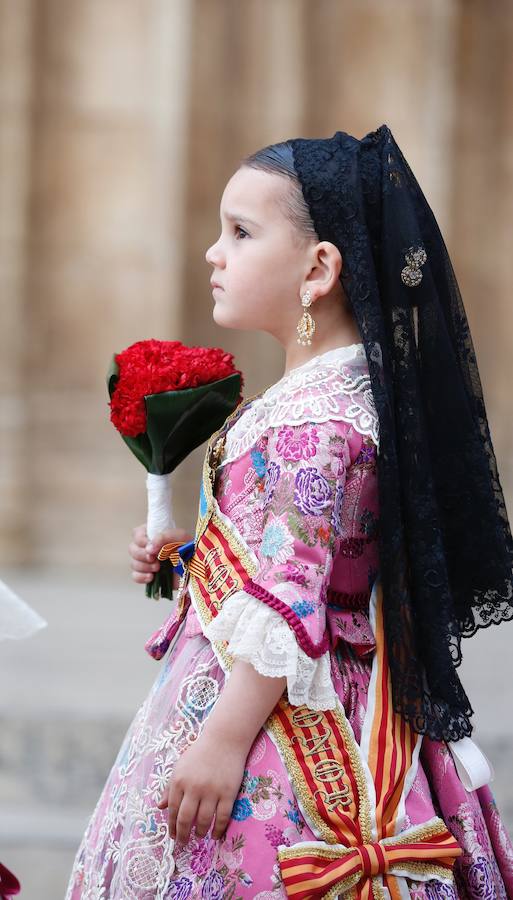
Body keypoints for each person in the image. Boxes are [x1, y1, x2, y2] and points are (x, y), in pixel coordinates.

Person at [65, 126, 513, 898]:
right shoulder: (326, 398)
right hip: (322, 675)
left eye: (239, 232)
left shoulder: (315, 423)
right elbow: (322, 556)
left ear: (317, 269)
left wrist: (221, 742)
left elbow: (291, 596)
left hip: (275, 707)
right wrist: (187, 555)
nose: (213, 252)